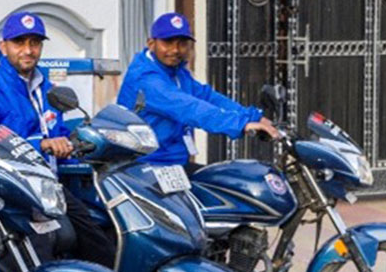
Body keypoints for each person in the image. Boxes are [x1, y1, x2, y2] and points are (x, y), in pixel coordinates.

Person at [0, 11, 117, 267]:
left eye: (34, 43)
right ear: (3, 47)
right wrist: (41, 145)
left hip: (49, 186)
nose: (28, 50)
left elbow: (58, 132)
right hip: (13, 189)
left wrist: (84, 140)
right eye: (19, 43)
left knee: (97, 237)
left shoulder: (44, 85)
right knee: (42, 245)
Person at [117, 11, 279, 167]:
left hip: (175, 162)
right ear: (151, 44)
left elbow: (207, 97)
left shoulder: (177, 72)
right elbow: (187, 107)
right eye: (168, 42)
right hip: (144, 165)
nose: (175, 50)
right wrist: (240, 124)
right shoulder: (146, 78)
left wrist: (252, 116)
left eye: (182, 43)